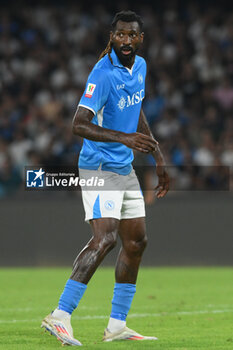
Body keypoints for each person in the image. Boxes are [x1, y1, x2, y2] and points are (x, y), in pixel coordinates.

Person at [41, 10, 169, 346]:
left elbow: (135, 107)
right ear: (111, 36)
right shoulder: (102, 73)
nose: (127, 41)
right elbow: (78, 124)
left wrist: (157, 155)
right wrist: (124, 138)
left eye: (133, 35)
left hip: (123, 167)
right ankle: (60, 316)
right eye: (121, 35)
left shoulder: (139, 67)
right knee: (105, 239)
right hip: (98, 165)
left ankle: (116, 325)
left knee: (137, 241)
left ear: (140, 39)